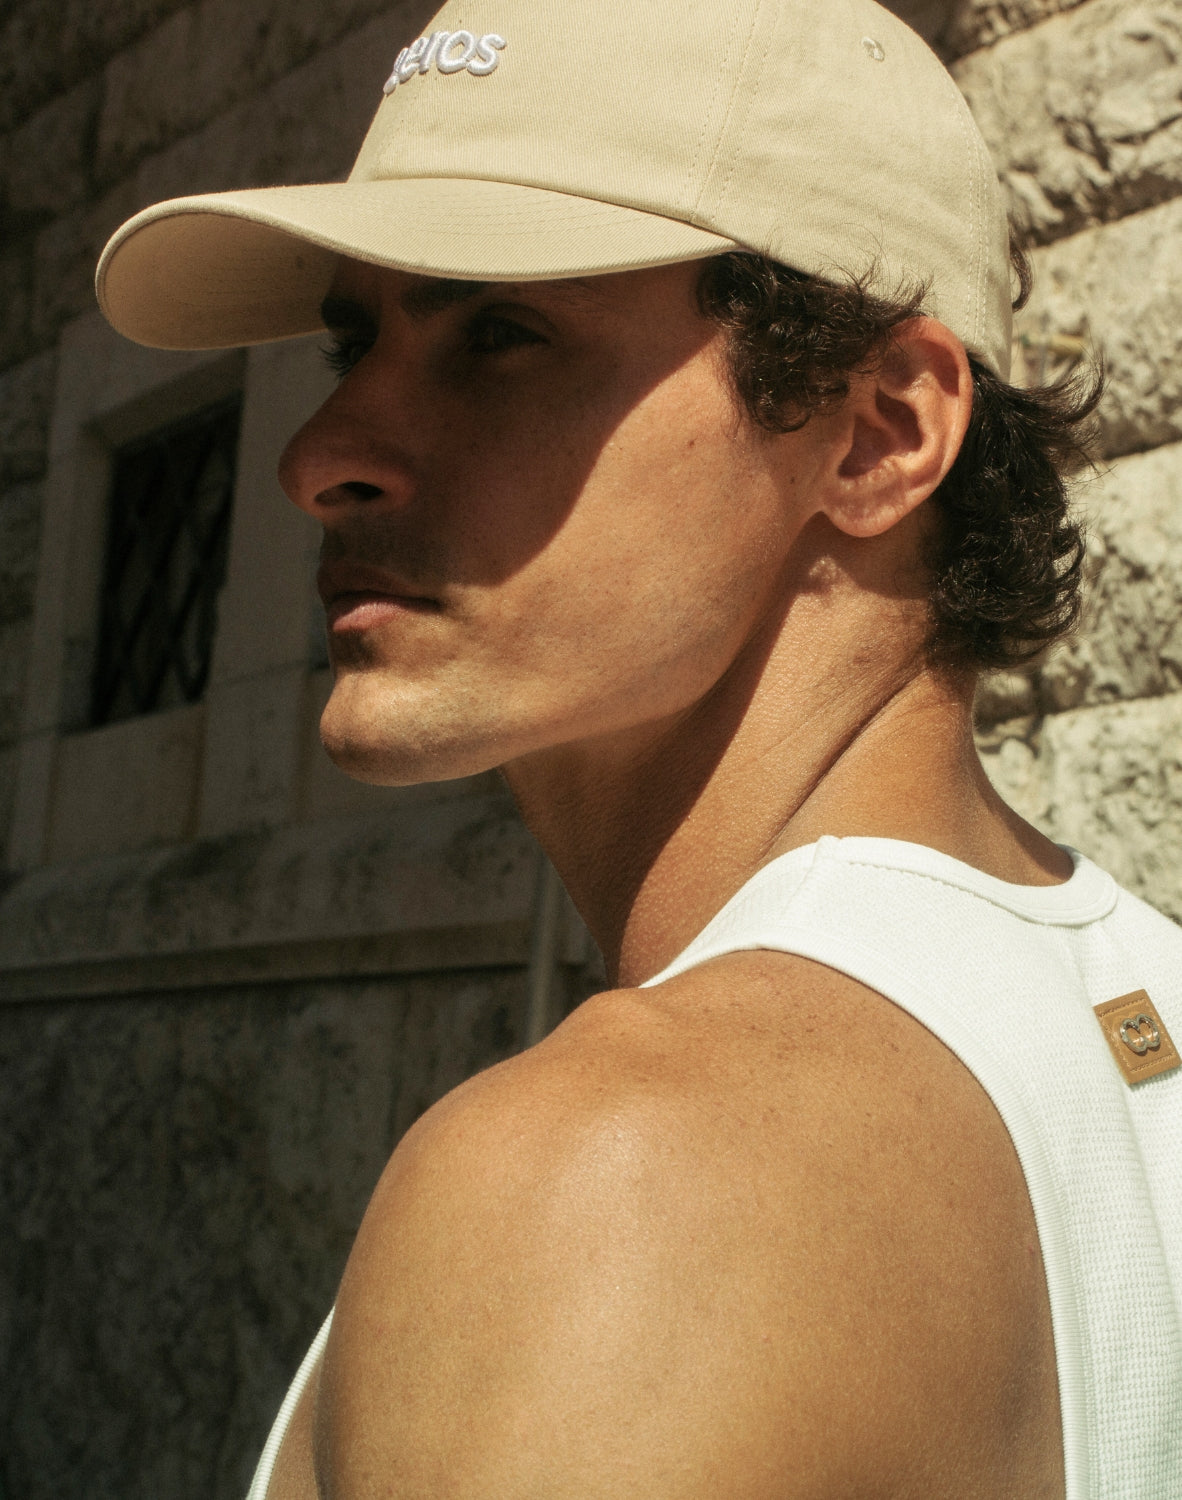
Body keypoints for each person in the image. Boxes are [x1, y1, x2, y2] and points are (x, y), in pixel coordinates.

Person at [96, 0, 1182, 1496]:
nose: (317, 455)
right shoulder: (1138, 1008)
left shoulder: (620, 1172)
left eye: (502, 335)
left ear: (877, 432)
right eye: (355, 340)